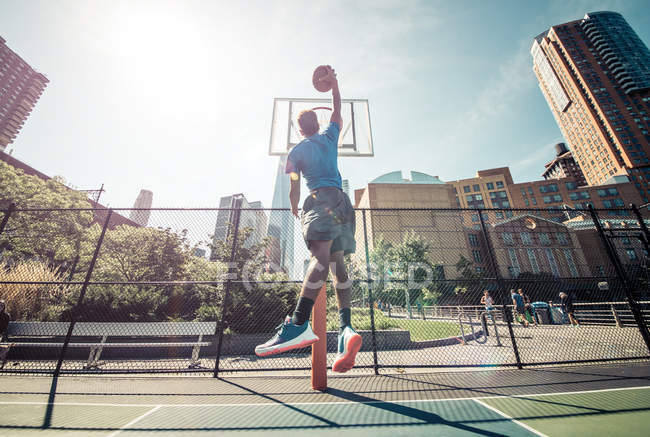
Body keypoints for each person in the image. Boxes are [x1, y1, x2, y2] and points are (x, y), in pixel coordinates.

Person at [255, 66, 362, 373]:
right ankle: (346, 330)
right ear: (318, 123)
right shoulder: (330, 135)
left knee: (321, 257)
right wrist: (336, 85)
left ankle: (299, 323)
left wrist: (293, 207)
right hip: (342, 203)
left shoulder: (296, 151)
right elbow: (338, 108)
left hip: (319, 201)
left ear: (300, 129)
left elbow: (293, 185)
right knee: (339, 264)